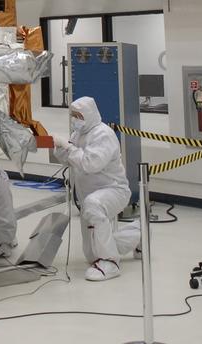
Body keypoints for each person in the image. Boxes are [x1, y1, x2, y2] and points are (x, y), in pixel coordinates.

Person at [51, 96, 141, 281]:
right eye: (73, 115)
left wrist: (68, 147)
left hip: (113, 191)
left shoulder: (103, 134)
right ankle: (138, 235)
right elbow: (70, 158)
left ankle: (110, 263)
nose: (75, 119)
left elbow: (91, 163)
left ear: (89, 114)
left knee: (93, 206)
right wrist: (59, 147)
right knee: (91, 254)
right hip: (91, 195)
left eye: (79, 115)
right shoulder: (78, 134)